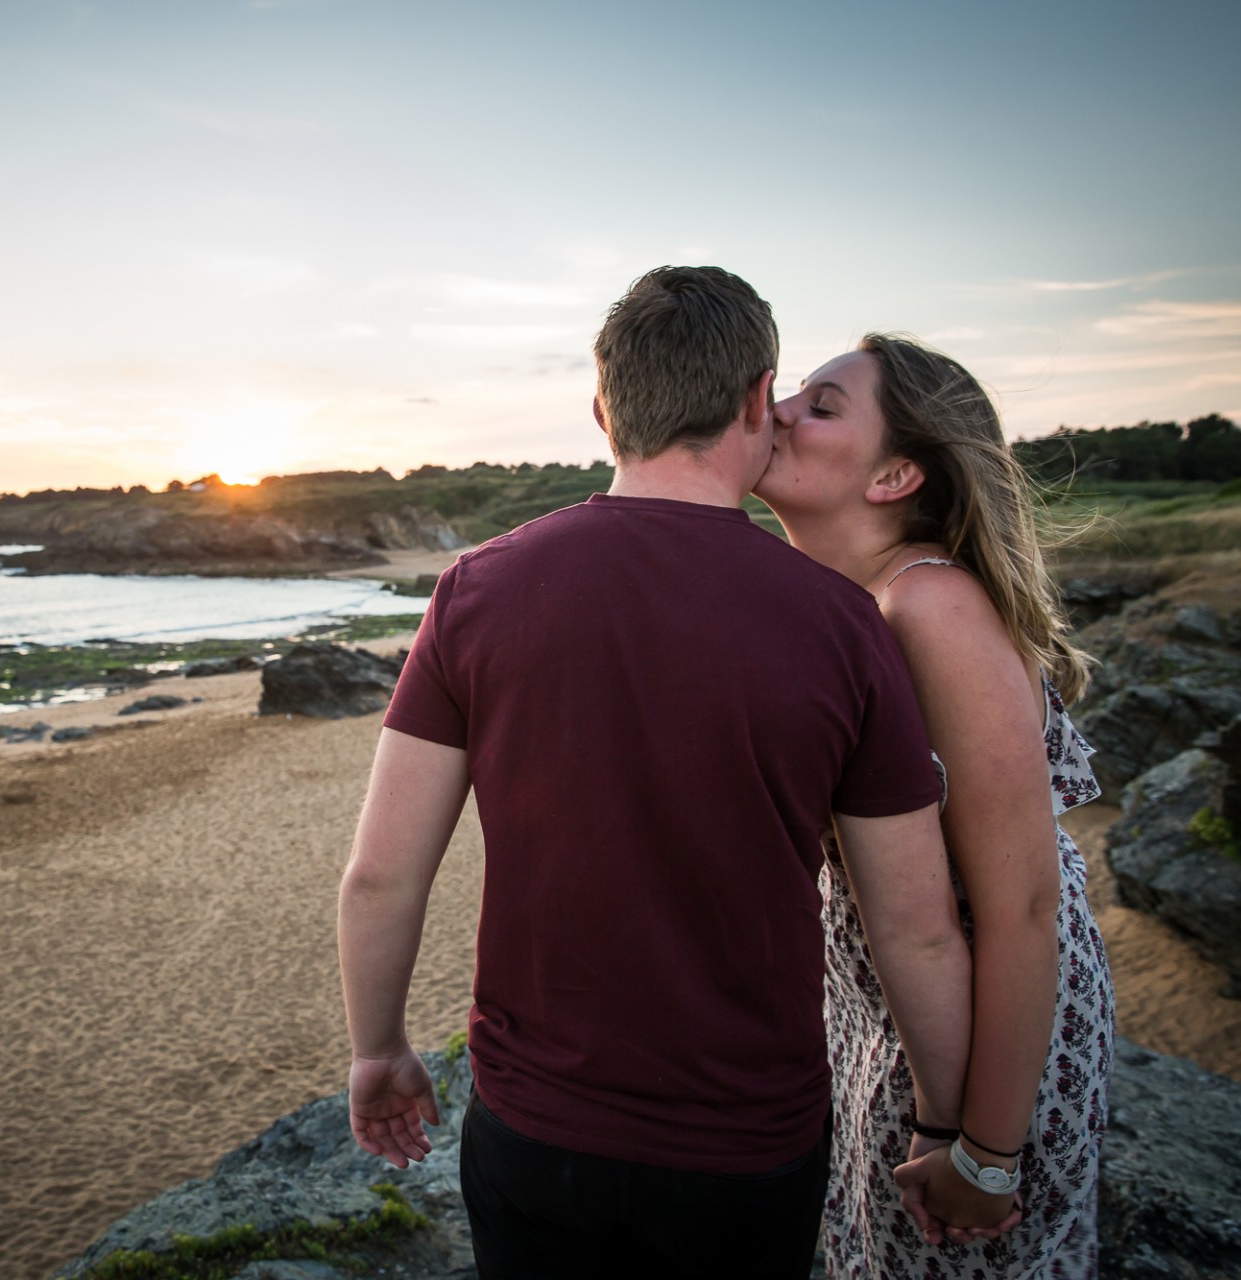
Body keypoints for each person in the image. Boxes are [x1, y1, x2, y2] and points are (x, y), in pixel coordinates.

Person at [337, 267, 994, 1279]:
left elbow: (381, 874)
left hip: (537, 1126)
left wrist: (377, 1050)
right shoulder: (843, 624)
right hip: (746, 1147)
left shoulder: (479, 587)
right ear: (753, 402)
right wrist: (950, 1126)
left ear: (604, 410)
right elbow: (916, 924)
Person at [754, 334, 1112, 1278]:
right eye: (793, 392)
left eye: (822, 406)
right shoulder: (851, 602)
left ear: (897, 474)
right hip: (895, 1010)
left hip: (989, 1026)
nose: (781, 410)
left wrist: (986, 1154)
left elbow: (1025, 905)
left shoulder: (929, 607)